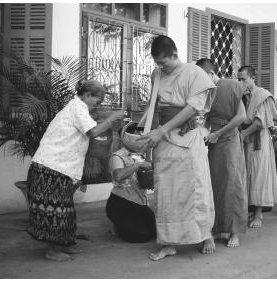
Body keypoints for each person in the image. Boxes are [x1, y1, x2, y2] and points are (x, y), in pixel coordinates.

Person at [136, 35, 216, 261]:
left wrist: (163, 130)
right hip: (164, 140)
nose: (161, 67)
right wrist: (148, 136)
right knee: (166, 192)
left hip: (188, 137)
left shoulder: (195, 73)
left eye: (164, 62)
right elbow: (153, 107)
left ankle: (205, 234)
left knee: (196, 188)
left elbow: (193, 108)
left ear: (174, 54)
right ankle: (168, 241)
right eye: (157, 63)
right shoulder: (157, 74)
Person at [27, 80, 124, 261]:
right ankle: (53, 250)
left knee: (65, 210)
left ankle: (63, 245)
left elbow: (94, 119)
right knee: (56, 211)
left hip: (58, 167)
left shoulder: (78, 108)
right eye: (98, 99)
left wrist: (110, 115)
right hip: (51, 165)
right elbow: (93, 132)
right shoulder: (77, 108)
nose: (99, 104)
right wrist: (112, 119)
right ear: (87, 95)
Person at [196, 58, 248, 248]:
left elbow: (242, 116)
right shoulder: (207, 91)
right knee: (216, 184)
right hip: (214, 142)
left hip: (229, 140)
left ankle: (235, 232)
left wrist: (217, 133)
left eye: (202, 77)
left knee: (233, 184)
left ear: (211, 73)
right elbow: (206, 120)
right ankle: (219, 228)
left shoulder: (233, 86)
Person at [237, 65, 277, 228]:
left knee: (259, 175)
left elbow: (260, 122)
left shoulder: (263, 95)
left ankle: (258, 214)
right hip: (245, 140)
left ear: (252, 78)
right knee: (246, 174)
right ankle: (249, 209)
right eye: (239, 79)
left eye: (244, 79)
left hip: (258, 141)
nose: (241, 82)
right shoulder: (242, 96)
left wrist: (243, 134)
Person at [106, 125, 156, 243]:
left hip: (139, 202)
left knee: (153, 232)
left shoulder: (141, 155)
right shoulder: (117, 156)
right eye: (136, 134)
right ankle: (118, 224)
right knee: (138, 237)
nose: (140, 137)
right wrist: (137, 165)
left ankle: (120, 226)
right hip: (121, 201)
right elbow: (118, 176)